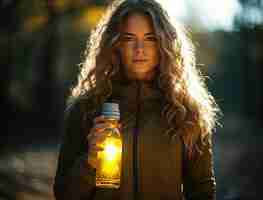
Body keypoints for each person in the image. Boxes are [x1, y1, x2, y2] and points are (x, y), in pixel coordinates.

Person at [53, 0, 221, 199]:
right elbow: (63, 194)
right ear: (115, 44)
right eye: (129, 38)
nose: (139, 49)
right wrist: (89, 162)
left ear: (164, 43)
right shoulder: (86, 109)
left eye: (150, 38)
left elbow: (202, 190)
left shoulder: (186, 112)